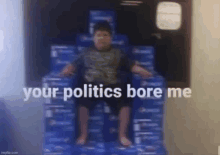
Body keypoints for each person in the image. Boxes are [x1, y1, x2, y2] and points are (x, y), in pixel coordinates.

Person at [60, 21, 152, 147]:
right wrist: (67, 70)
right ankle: (83, 135)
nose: (102, 38)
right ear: (93, 37)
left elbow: (132, 66)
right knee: (82, 102)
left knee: (125, 102)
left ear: (110, 38)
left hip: (112, 86)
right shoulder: (86, 52)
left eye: (105, 35)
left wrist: (142, 70)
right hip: (91, 86)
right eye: (98, 35)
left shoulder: (118, 53)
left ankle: (122, 136)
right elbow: (73, 65)